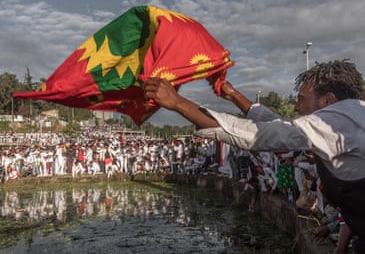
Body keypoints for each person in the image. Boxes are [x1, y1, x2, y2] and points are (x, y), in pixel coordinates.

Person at [144, 60, 365, 254]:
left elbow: (253, 135)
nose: (296, 107)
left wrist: (178, 102)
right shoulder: (351, 115)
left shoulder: (335, 121)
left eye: (301, 99)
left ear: (327, 100)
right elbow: (280, 126)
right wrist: (233, 96)